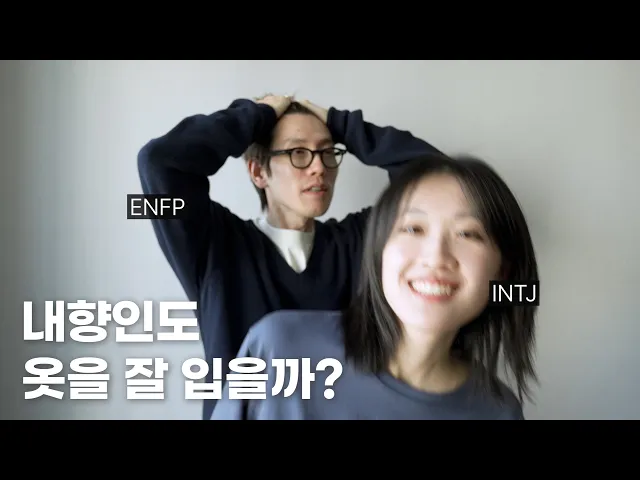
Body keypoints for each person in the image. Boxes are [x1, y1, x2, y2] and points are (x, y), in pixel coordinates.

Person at [137, 94, 443, 419]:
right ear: (258, 172)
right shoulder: (215, 245)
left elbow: (442, 184)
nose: (319, 167)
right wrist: (256, 115)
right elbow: (158, 162)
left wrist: (341, 124)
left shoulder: (361, 240)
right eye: (298, 153)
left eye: (328, 152)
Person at [210, 154, 539, 420]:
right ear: (380, 251)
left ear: (502, 272)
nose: (435, 257)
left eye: (468, 234)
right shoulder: (279, 345)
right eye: (413, 228)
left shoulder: (498, 411)